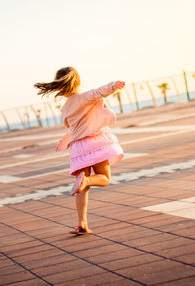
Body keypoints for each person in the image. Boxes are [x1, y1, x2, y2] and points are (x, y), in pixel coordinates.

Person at [34, 67, 125, 235]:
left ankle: (81, 223)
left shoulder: (65, 108)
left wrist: (64, 141)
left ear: (60, 87)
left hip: (77, 148)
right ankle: (87, 181)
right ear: (78, 82)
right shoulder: (86, 97)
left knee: (81, 189)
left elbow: (72, 128)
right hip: (95, 143)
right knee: (104, 178)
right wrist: (115, 85)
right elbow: (101, 91)